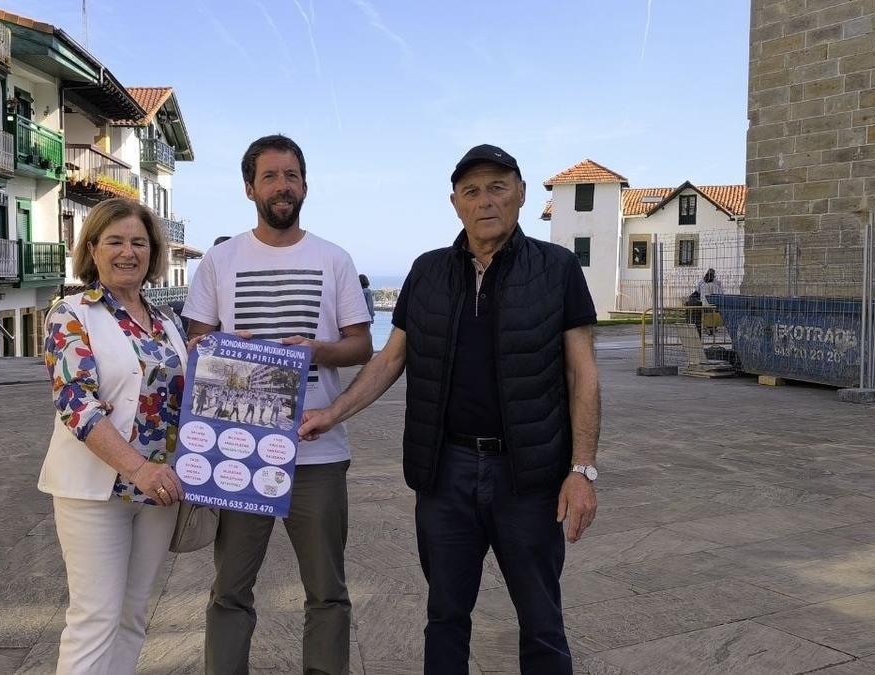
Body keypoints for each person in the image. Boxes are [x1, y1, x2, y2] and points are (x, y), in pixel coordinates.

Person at [300, 144, 601, 674]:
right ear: (455, 204)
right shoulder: (428, 271)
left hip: (528, 476)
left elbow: (583, 373)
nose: (485, 201)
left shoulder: (557, 269)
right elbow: (391, 359)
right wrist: (334, 412)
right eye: (471, 191)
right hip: (446, 474)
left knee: (542, 620)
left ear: (522, 195)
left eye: (497, 187)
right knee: (444, 616)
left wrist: (581, 470)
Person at [183, 134, 373, 674]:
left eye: (291, 175)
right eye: (270, 176)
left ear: (305, 185)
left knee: (328, 592)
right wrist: (223, 354)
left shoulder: (334, 259)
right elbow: (198, 346)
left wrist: (317, 348)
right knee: (230, 592)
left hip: (318, 449)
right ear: (250, 188)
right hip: (239, 452)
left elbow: (362, 347)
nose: (282, 186)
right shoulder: (219, 261)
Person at [40, 198, 189, 674]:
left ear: (153, 252)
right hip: (98, 488)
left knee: (132, 615)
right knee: (94, 617)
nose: (128, 252)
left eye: (139, 243)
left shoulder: (167, 322)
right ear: (93, 249)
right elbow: (75, 404)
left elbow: (186, 393)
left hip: (158, 490)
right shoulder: (71, 313)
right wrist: (138, 468)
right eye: (116, 241)